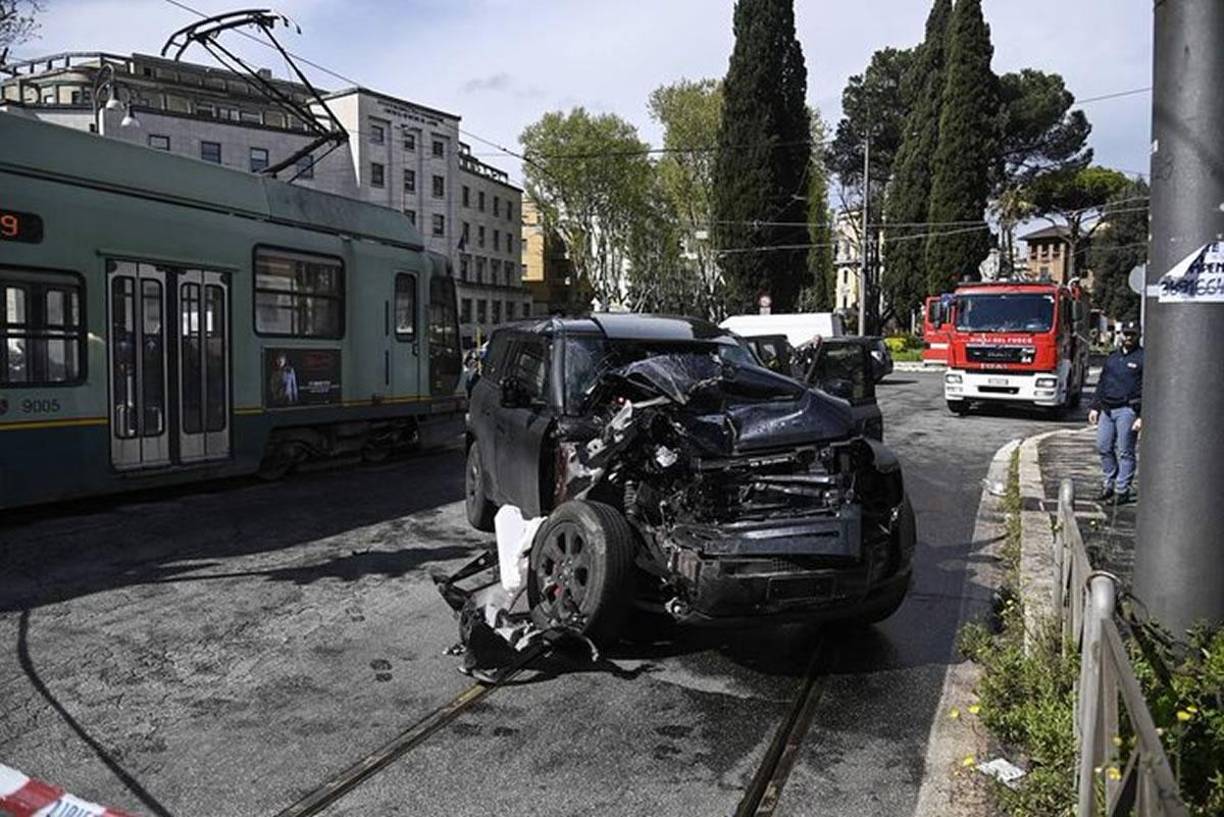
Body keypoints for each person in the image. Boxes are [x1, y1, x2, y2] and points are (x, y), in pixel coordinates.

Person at [1089, 320, 1143, 504]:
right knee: (1104, 447)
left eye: (1132, 334)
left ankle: (1122, 490)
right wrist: (1095, 407)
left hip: (1128, 410)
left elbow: (1149, 388)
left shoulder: (1143, 358)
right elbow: (1102, 383)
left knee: (1125, 451)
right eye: (1126, 333)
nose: (1128, 337)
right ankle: (1109, 484)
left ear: (1138, 335)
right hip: (1107, 409)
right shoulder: (1112, 358)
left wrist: (1141, 416)